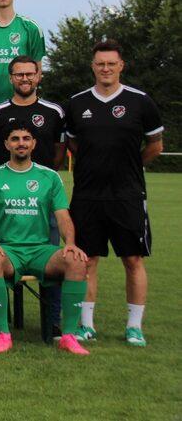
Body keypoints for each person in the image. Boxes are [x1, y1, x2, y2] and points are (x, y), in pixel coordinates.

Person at [64, 39, 163, 347]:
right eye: (100, 64)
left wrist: (129, 167)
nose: (105, 68)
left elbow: (154, 146)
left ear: (121, 65)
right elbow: (73, 145)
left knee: (132, 259)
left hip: (127, 195)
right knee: (87, 260)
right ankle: (87, 325)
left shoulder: (140, 101)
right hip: (88, 196)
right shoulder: (77, 103)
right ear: (92, 67)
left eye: (111, 63)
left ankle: (134, 327)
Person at [0, 122, 89, 355]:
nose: (21, 143)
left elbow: (63, 217)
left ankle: (68, 336)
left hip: (41, 250)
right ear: (6, 144)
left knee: (77, 261)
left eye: (26, 138)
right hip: (8, 250)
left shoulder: (49, 177)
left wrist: (70, 243)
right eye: (15, 139)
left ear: (34, 143)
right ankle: (3, 334)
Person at [0, 55, 66, 334]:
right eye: (19, 74)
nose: (25, 79)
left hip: (42, 202)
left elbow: (58, 152)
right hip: (7, 202)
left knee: (52, 266)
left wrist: (40, 183)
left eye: (30, 74)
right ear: (11, 78)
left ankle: (52, 322)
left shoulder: (54, 111)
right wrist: (6, 183)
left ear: (39, 75)